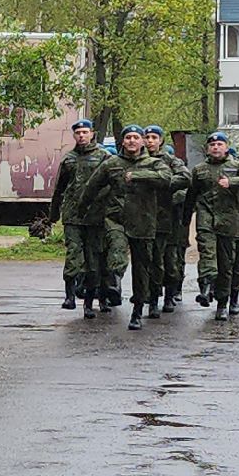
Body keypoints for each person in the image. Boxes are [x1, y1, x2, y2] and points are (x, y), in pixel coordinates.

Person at [82, 125, 186, 330]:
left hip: (144, 222)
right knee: (116, 252)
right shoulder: (112, 163)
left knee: (142, 269)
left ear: (142, 142)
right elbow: (91, 187)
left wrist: (139, 176)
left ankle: (138, 310)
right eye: (127, 137)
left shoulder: (155, 164)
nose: (131, 141)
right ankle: (113, 285)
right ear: (122, 141)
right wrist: (82, 210)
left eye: (135, 137)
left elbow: (166, 179)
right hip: (116, 219)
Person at [190, 132, 239, 320]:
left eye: (219, 144)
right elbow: (192, 194)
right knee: (208, 255)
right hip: (208, 220)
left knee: (230, 265)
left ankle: (229, 300)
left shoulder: (237, 168)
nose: (216, 147)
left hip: (234, 225)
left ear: (226, 147)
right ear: (208, 148)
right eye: (212, 144)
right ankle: (207, 289)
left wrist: (233, 184)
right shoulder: (200, 170)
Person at [47, 119, 112, 317]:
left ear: (92, 133)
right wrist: (53, 213)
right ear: (74, 135)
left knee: (94, 259)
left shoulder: (104, 157)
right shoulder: (69, 159)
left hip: (96, 216)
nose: (82, 136)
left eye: (85, 132)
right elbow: (59, 189)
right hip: (73, 216)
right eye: (78, 133)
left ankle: (91, 302)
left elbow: (112, 186)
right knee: (73, 254)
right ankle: (69, 296)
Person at [149, 128, 188, 314]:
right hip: (145, 219)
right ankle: (152, 298)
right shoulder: (139, 161)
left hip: (169, 219)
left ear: (161, 140)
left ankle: (170, 295)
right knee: (150, 262)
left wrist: (164, 185)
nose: (149, 141)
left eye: (153, 138)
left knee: (171, 262)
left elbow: (185, 180)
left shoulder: (171, 161)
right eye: (146, 137)